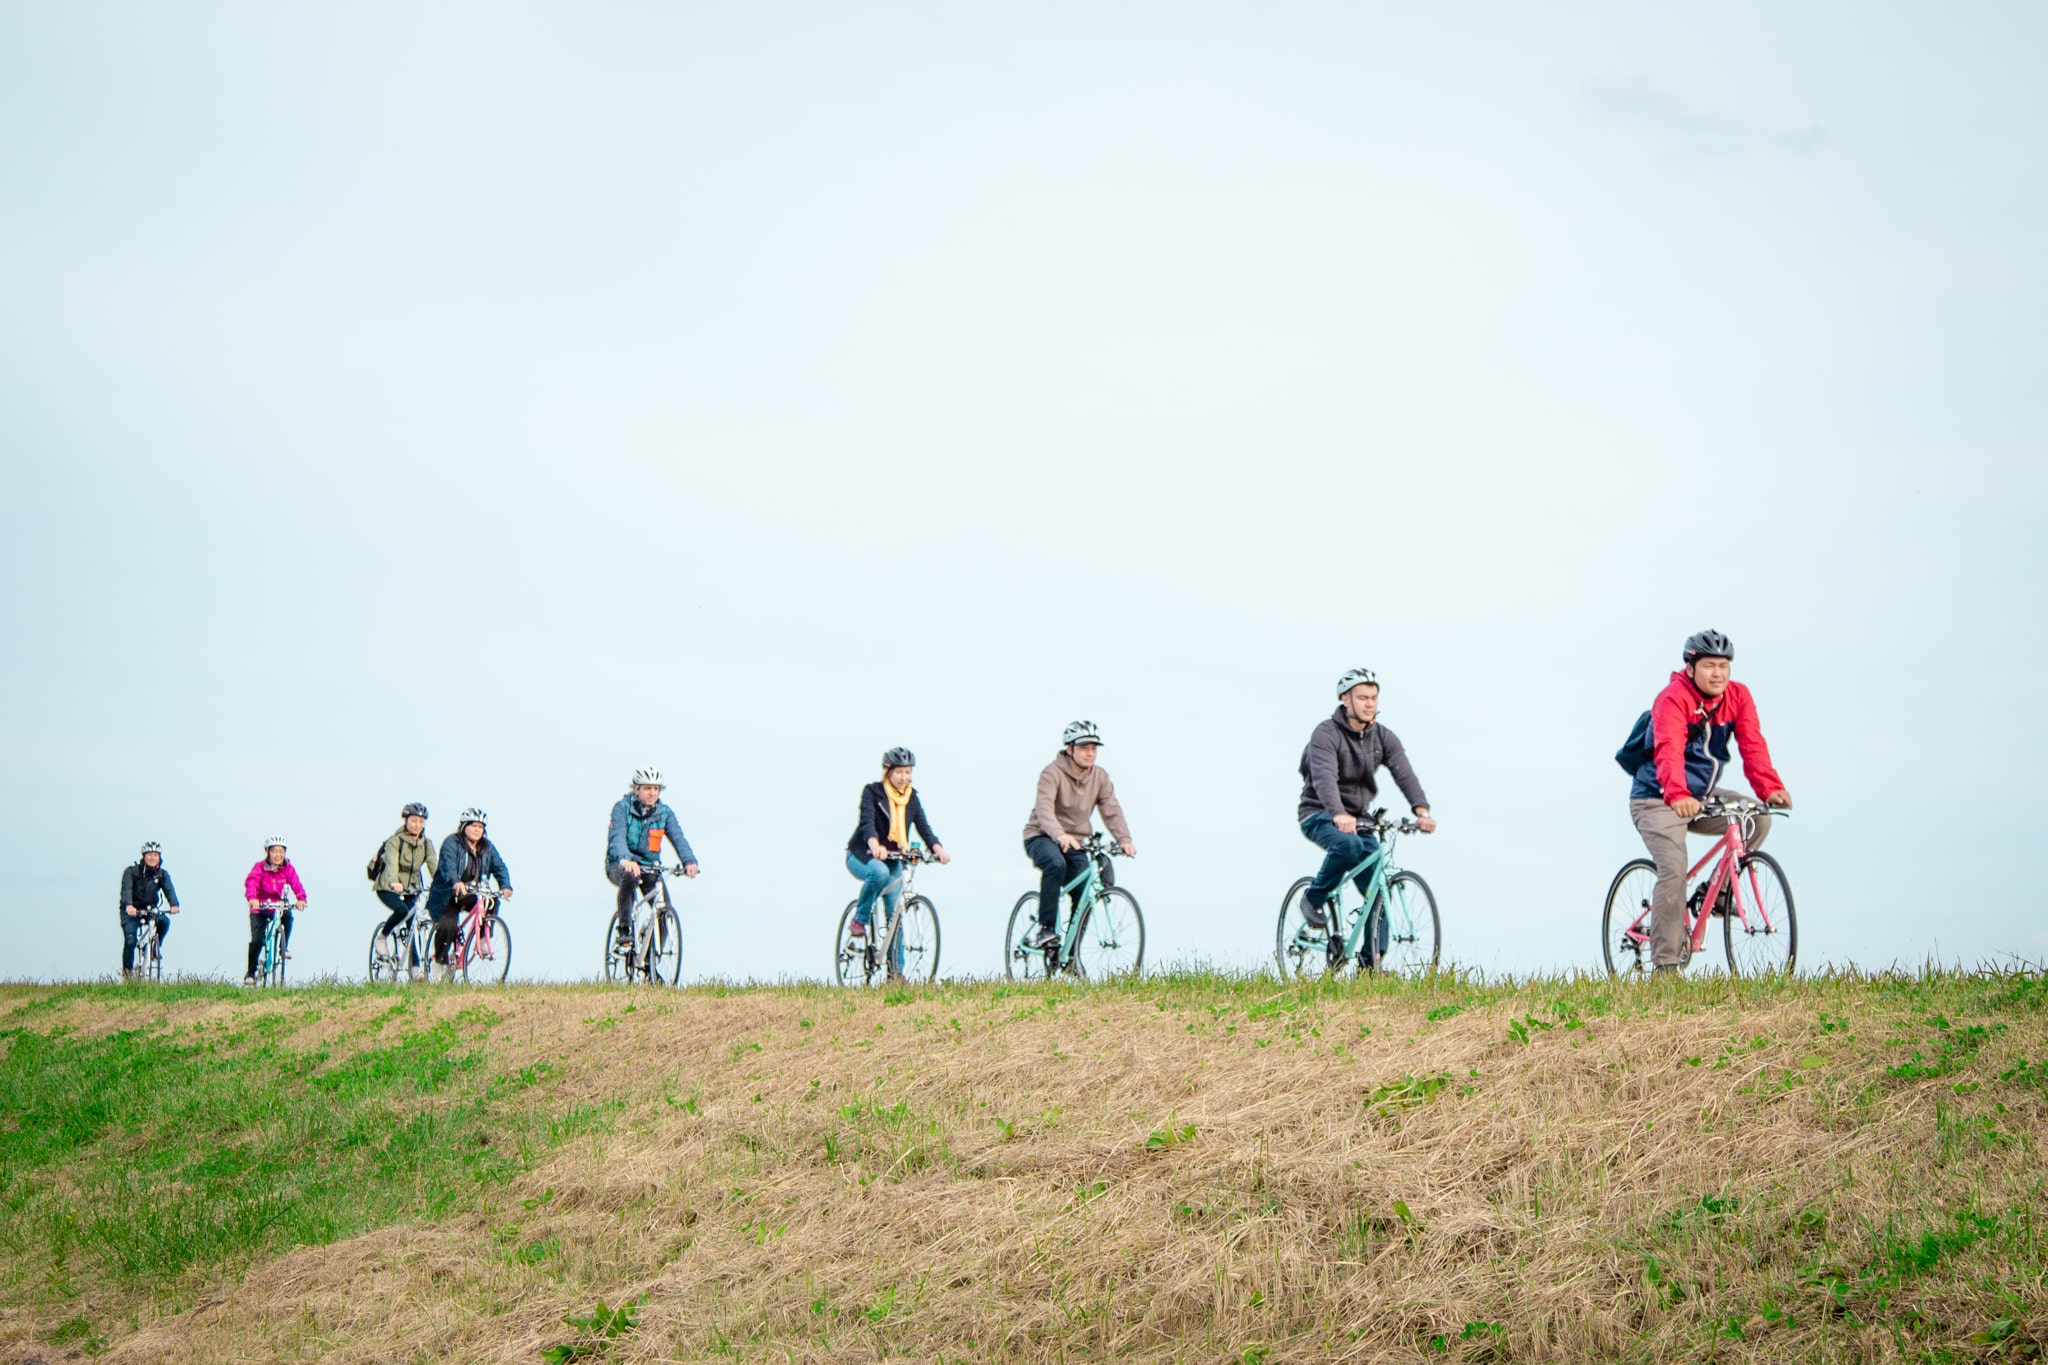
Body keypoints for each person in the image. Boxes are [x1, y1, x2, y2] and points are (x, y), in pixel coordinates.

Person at [1622, 630, 1792, 973]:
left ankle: (1721, 896)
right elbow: (1668, 748)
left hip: (1698, 797)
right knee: (1673, 869)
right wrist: (1678, 794)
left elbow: (1752, 744)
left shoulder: (1738, 697)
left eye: (1724, 666)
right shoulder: (1673, 699)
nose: (1718, 673)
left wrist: (1769, 788)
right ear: (1690, 668)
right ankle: (1666, 966)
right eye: (1710, 665)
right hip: (1657, 798)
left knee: (1756, 818)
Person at [1296, 668, 1437, 941]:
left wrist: (1422, 811)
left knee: (1378, 889)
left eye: (1373, 697)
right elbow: (1325, 777)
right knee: (1349, 845)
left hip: (1358, 819)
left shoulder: (1383, 737)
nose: (1369, 703)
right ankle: (1313, 899)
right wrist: (1338, 813)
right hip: (1319, 814)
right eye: (1362, 697)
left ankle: (1370, 966)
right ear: (1345, 699)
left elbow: (1404, 774)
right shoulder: (1326, 734)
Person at [1021, 721, 1135, 950]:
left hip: (1076, 841)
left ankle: (1071, 955)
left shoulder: (1100, 777)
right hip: (1042, 835)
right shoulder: (1051, 773)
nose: (1090, 753)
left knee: (1084, 891)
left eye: (1094, 748)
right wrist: (1059, 834)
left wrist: (1124, 839)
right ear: (1069, 749)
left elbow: (1111, 809)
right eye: (1084, 748)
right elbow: (1044, 809)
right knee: (1055, 864)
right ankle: (1046, 929)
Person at [845, 747, 950, 978]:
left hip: (895, 859)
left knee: (896, 913)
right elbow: (867, 822)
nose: (904, 777)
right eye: (900, 772)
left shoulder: (911, 798)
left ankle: (896, 973)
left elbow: (924, 827)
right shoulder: (873, 793)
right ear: (888, 771)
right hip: (863, 855)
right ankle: (860, 920)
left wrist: (938, 849)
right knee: (879, 873)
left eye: (908, 772)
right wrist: (875, 845)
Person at [607, 767, 699, 962]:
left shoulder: (664, 813)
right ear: (636, 789)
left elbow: (678, 838)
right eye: (648, 788)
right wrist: (626, 860)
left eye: (656, 789)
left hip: (650, 867)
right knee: (629, 879)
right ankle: (624, 930)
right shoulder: (622, 809)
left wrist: (689, 861)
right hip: (621, 864)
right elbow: (617, 839)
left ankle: (649, 963)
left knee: (664, 910)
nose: (652, 793)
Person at [426, 808, 512, 982]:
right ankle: (440, 961)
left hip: (470, 893)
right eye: (473, 825)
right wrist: (455, 882)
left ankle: (482, 939)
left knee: (491, 902)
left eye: (480, 826)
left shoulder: (487, 847)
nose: (477, 829)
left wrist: (505, 885)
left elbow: (499, 866)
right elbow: (447, 864)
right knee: (448, 925)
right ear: (464, 826)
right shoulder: (452, 843)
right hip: (446, 894)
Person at [371, 802, 437, 964]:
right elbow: (392, 864)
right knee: (401, 911)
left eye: (421, 822)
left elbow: (434, 866)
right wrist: (394, 882)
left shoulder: (427, 844)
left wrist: (441, 884)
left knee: (411, 928)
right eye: (414, 821)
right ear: (405, 821)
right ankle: (383, 936)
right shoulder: (395, 841)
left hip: (412, 888)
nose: (417, 825)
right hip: (388, 885)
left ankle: (415, 970)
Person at [243, 837, 309, 984]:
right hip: (260, 907)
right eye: (274, 852)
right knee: (257, 940)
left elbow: (296, 884)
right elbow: (251, 882)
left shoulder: (288, 869)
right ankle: (251, 973)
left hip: (278, 906)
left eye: (281, 852)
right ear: (268, 852)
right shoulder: (259, 867)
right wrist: (252, 899)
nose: (278, 855)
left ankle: (282, 948)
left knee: (288, 917)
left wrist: (301, 899)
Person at [119, 841, 181, 978]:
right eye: (149, 855)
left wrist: (174, 905)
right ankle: (127, 973)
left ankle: (155, 947)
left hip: (150, 910)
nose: (152, 858)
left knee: (164, 922)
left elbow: (169, 889)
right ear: (144, 856)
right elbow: (126, 890)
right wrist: (129, 905)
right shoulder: (131, 872)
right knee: (130, 941)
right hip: (131, 911)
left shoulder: (161, 874)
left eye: (155, 855)